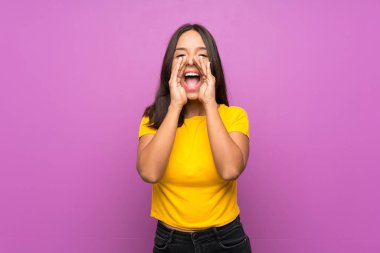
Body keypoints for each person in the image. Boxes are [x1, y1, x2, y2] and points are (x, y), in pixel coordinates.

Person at [137, 23, 252, 253]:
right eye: (181, 55)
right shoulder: (154, 118)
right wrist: (175, 105)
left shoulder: (234, 116)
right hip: (170, 242)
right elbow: (149, 172)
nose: (191, 61)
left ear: (213, 68)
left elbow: (230, 170)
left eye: (202, 55)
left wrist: (209, 102)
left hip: (225, 240)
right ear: (170, 67)